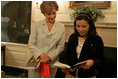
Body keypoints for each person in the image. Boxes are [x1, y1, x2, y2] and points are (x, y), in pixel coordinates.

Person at [55, 12, 104, 78]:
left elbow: (101, 59)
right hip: (71, 74)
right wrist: (65, 66)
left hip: (88, 75)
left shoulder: (97, 39)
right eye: (78, 26)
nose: (80, 29)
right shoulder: (73, 37)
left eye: (84, 27)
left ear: (90, 26)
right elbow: (68, 55)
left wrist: (92, 62)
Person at [28, 1, 65, 78]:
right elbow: (31, 44)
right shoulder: (36, 25)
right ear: (44, 13)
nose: (52, 16)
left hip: (52, 64)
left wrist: (50, 57)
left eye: (54, 13)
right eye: (49, 14)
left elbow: (61, 46)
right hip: (37, 62)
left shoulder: (61, 27)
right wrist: (41, 55)